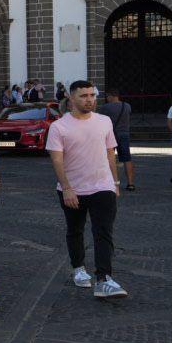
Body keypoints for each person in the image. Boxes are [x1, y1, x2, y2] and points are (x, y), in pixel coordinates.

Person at [47, 81, 125, 298]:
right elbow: (57, 160)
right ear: (72, 99)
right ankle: (78, 268)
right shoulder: (59, 127)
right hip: (73, 189)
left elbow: (111, 153)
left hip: (103, 186)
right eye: (83, 96)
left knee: (103, 232)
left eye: (92, 95)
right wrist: (67, 188)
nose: (89, 99)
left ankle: (104, 278)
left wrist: (115, 183)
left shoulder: (104, 121)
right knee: (75, 230)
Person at [97, 88, 135, 191]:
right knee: (127, 159)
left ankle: (110, 181)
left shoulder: (105, 107)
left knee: (109, 157)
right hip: (124, 134)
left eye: (107, 96)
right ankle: (130, 183)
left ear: (112, 96)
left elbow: (100, 119)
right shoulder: (127, 106)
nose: (107, 99)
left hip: (110, 134)